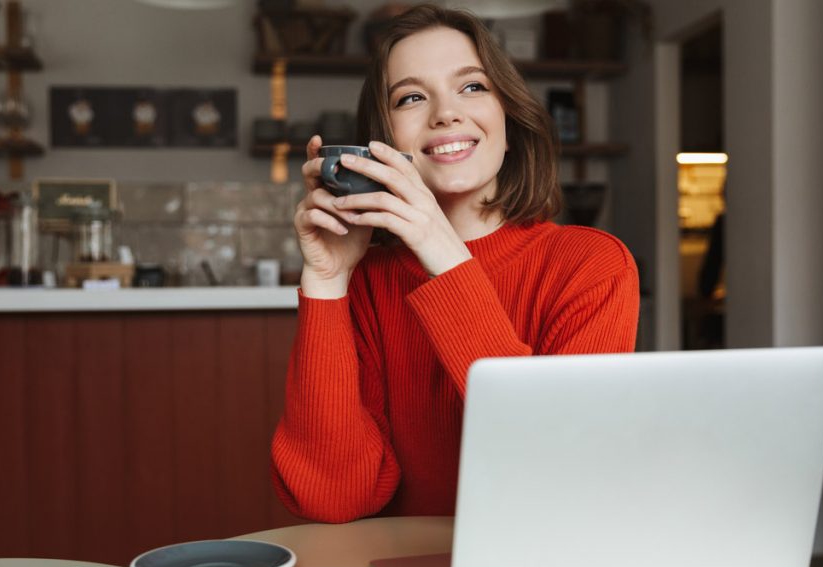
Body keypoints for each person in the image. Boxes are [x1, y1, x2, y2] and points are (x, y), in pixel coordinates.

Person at [271, 4, 640, 523]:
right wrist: (327, 283)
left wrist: (444, 255)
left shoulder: (592, 265)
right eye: (412, 97)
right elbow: (333, 498)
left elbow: (560, 465)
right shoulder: (369, 282)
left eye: (472, 87)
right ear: (382, 144)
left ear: (509, 121)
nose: (446, 113)